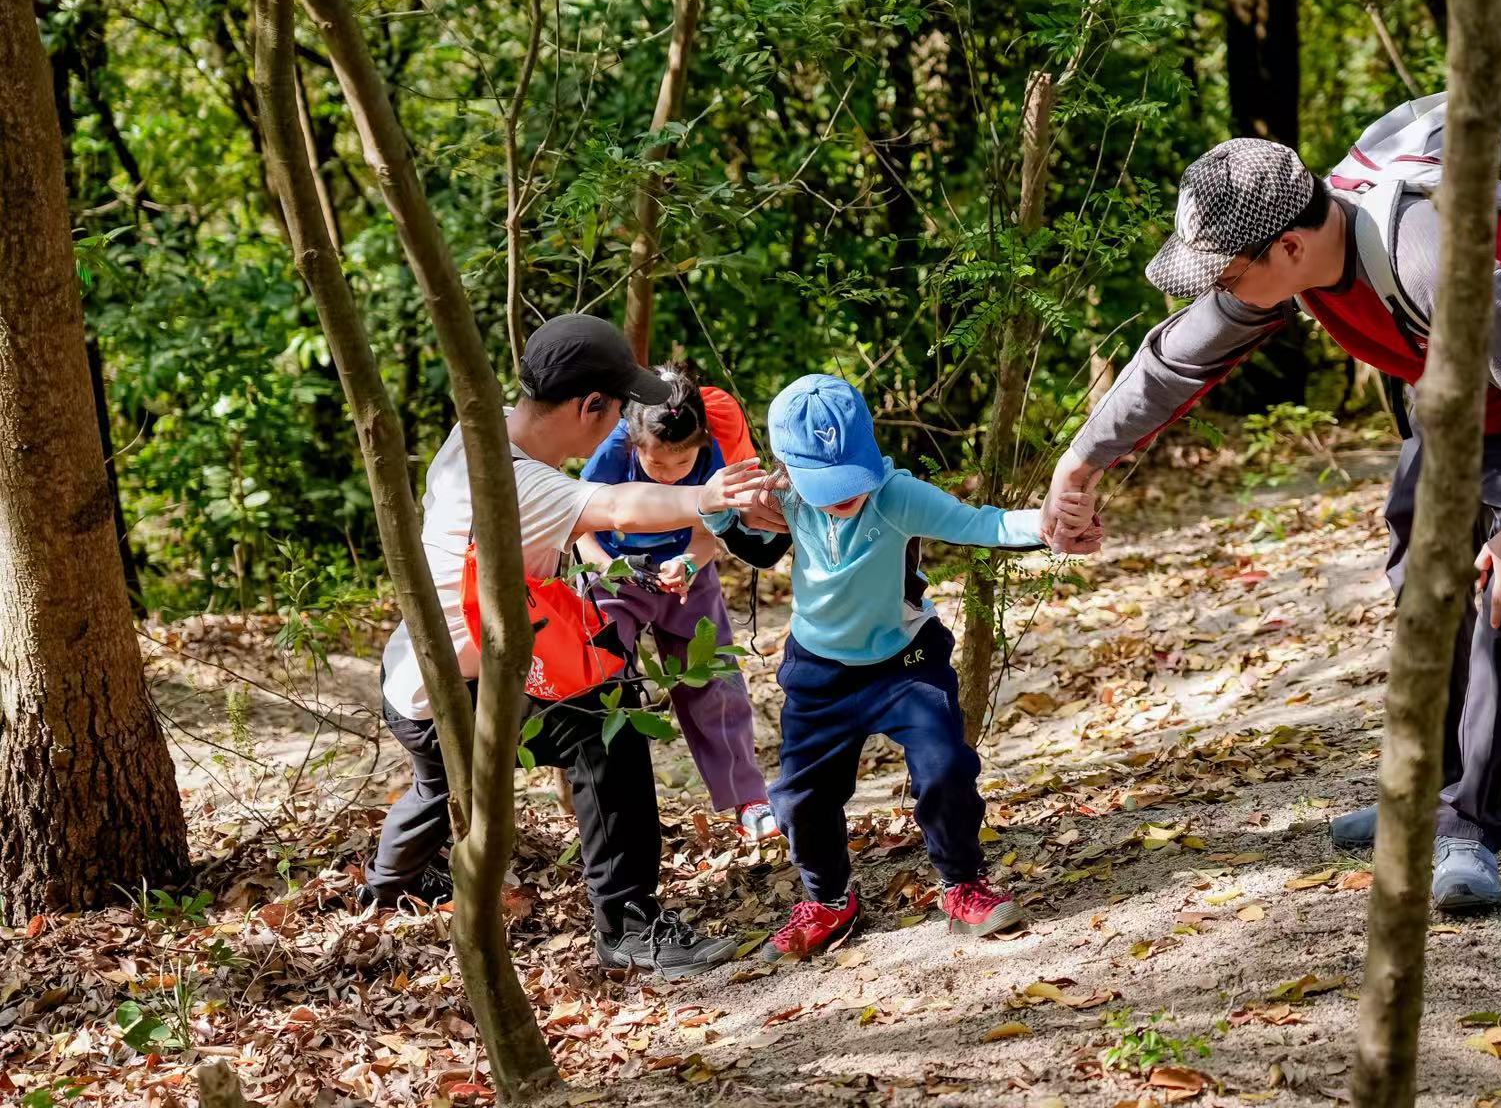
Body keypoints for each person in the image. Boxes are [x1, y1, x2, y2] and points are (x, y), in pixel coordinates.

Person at [1041, 140, 1501, 911]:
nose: (1221, 290)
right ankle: (1423, 798)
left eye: (1225, 273)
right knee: (1425, 594)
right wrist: (1081, 462)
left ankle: (1471, 829)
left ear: (1289, 245)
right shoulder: (1291, 266)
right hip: (1456, 412)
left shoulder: (1425, 259)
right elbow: (1175, 361)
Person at [358, 314, 774, 978]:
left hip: (413, 671)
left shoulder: (479, 428)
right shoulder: (516, 481)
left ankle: (390, 883)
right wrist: (706, 495)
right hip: (450, 697)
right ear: (589, 408)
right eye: (615, 411)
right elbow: (619, 508)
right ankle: (630, 926)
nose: (615, 427)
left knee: (439, 790)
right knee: (606, 723)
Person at [698, 374, 1097, 957]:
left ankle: (962, 885)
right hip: (819, 673)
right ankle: (830, 900)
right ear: (789, 468)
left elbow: (981, 523)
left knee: (945, 766)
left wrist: (1052, 525)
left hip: (906, 663)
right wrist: (719, 509)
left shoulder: (897, 495)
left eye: (851, 478)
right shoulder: (783, 498)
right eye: (825, 484)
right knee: (801, 797)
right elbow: (756, 548)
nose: (842, 495)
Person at [577, 368, 780, 842]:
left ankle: (747, 796)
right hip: (616, 573)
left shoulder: (713, 456)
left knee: (714, 676)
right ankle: (615, 806)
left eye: (681, 464)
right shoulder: (614, 451)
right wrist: (608, 568)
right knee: (604, 675)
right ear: (634, 444)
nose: (670, 476)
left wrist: (689, 563)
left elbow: (707, 533)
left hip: (684, 575)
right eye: (658, 467)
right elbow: (581, 525)